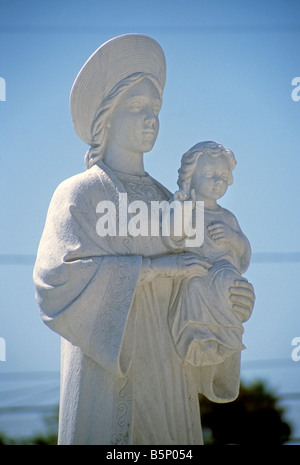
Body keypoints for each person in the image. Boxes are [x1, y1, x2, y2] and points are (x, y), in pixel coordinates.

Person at [33, 34, 255, 445]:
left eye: (155, 109)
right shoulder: (81, 194)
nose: (151, 118)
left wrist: (230, 304)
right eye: (137, 108)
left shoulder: (174, 204)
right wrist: (151, 270)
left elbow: (202, 278)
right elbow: (55, 282)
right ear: (106, 117)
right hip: (108, 371)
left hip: (167, 370)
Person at [166, 141, 253, 367]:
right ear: (190, 175)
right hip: (196, 272)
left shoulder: (228, 217)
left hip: (224, 274)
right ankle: (197, 338)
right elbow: (173, 238)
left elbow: (243, 253)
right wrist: (182, 206)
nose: (218, 182)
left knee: (229, 285)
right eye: (209, 174)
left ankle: (225, 334)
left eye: (224, 177)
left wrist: (232, 237)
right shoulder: (185, 208)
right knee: (193, 287)